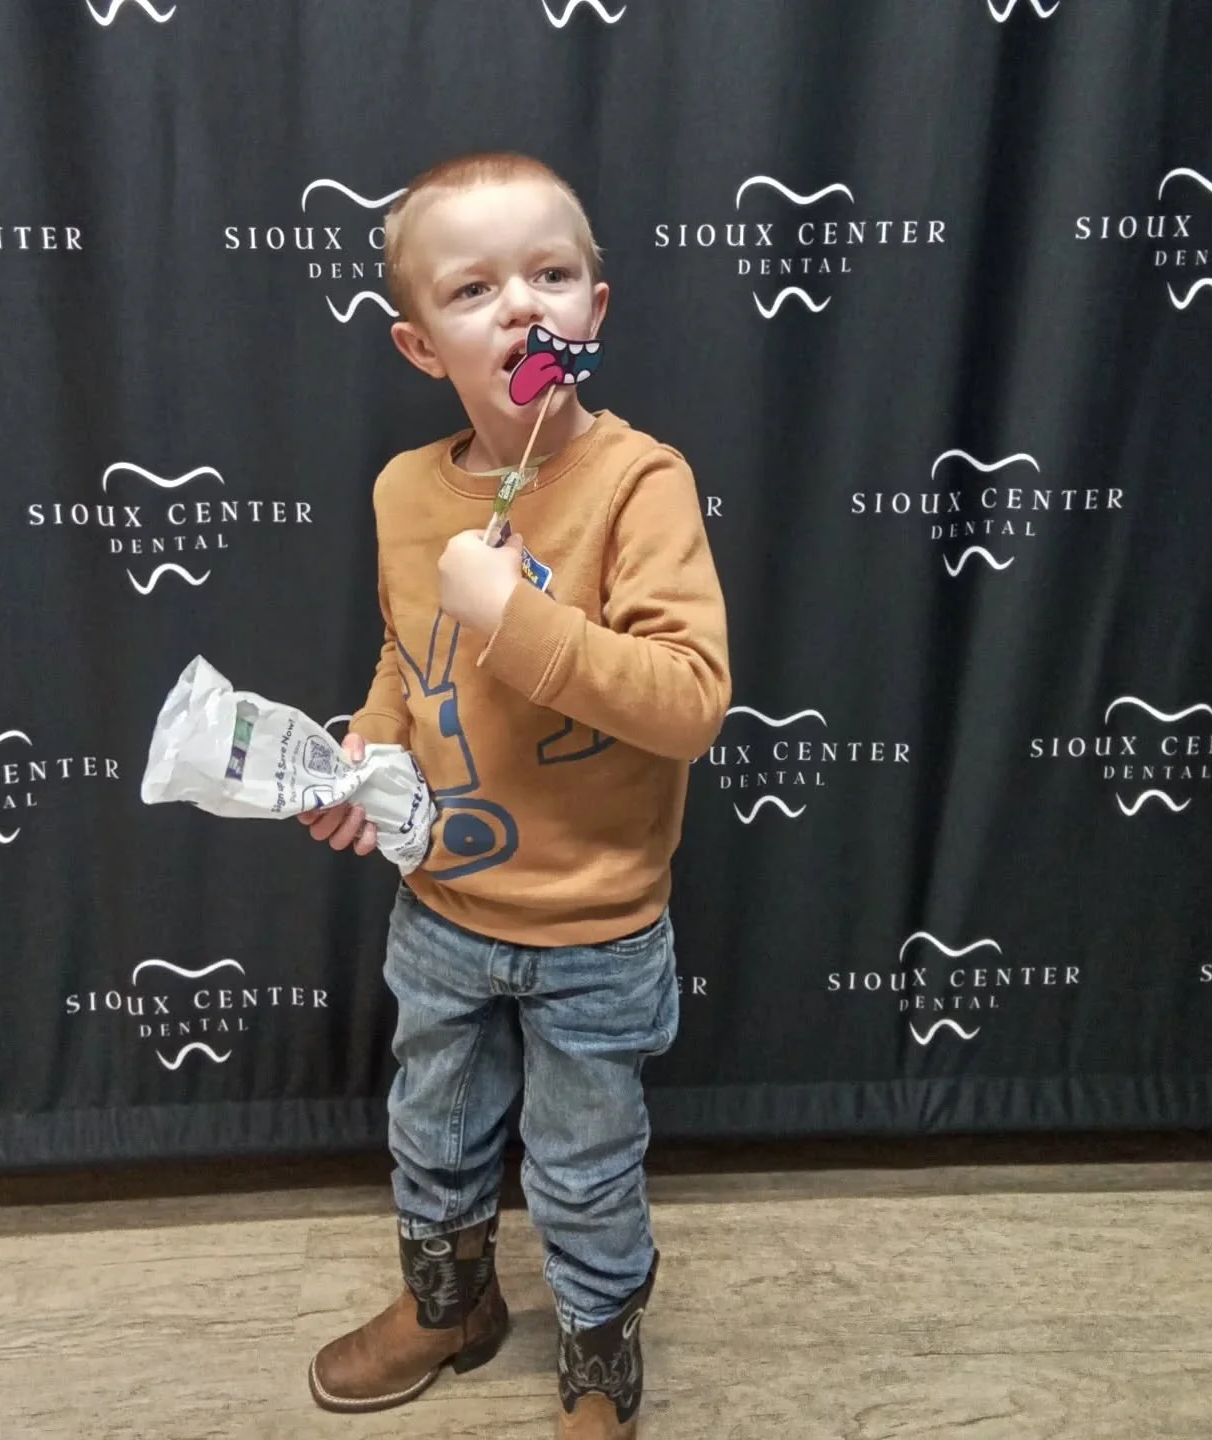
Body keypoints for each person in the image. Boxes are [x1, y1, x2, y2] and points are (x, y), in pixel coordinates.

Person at [301, 151, 730, 1440]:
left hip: (596, 927)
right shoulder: (401, 494)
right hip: (441, 904)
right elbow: (404, 657)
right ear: (423, 346)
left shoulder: (639, 482)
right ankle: (451, 1302)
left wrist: (525, 617)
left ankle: (598, 1348)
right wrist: (363, 759)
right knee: (431, 1127)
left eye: (551, 275)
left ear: (596, 308)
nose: (522, 308)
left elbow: (689, 698)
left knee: (587, 1167)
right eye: (474, 289)